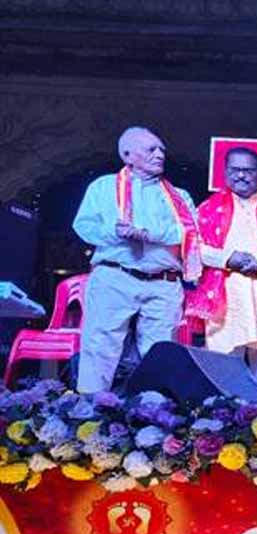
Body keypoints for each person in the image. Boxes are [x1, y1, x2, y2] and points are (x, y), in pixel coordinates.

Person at [72, 126, 200, 393]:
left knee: (160, 350)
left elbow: (189, 232)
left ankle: (154, 410)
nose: (160, 155)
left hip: (164, 283)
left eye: (162, 150)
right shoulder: (104, 187)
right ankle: (91, 408)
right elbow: (83, 226)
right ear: (127, 155)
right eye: (151, 149)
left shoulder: (180, 196)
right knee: (100, 346)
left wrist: (148, 234)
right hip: (115, 277)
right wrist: (115, 233)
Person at [185, 147, 257, 397]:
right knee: (223, 362)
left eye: (248, 170)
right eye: (235, 170)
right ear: (225, 172)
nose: (242, 175)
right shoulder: (208, 208)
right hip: (224, 295)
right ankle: (223, 415)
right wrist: (228, 259)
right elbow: (195, 245)